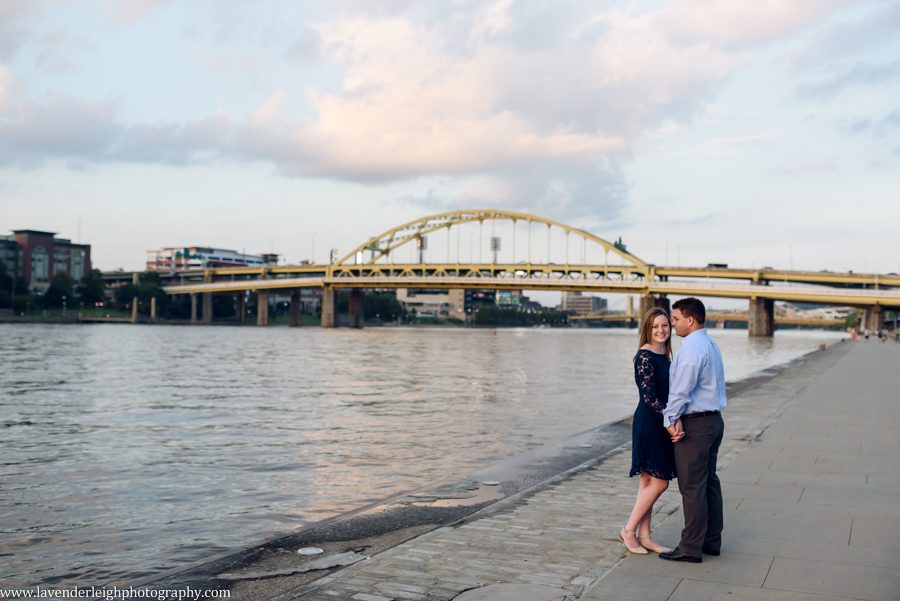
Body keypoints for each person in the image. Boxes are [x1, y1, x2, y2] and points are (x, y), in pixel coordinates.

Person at [659, 297, 727, 563]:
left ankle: (690, 547)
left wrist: (669, 420)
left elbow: (680, 391)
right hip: (713, 421)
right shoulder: (711, 345)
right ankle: (711, 541)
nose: (672, 324)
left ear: (690, 320)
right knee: (709, 481)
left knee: (692, 487)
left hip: (696, 425)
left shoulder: (692, 350)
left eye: (675, 319)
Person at [618, 307, 676, 555]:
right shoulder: (645, 355)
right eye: (655, 327)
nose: (661, 330)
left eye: (665, 325)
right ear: (647, 330)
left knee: (648, 482)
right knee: (660, 482)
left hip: (661, 421)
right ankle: (629, 530)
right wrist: (671, 422)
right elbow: (650, 397)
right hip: (650, 423)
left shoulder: (666, 354)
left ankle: (645, 536)